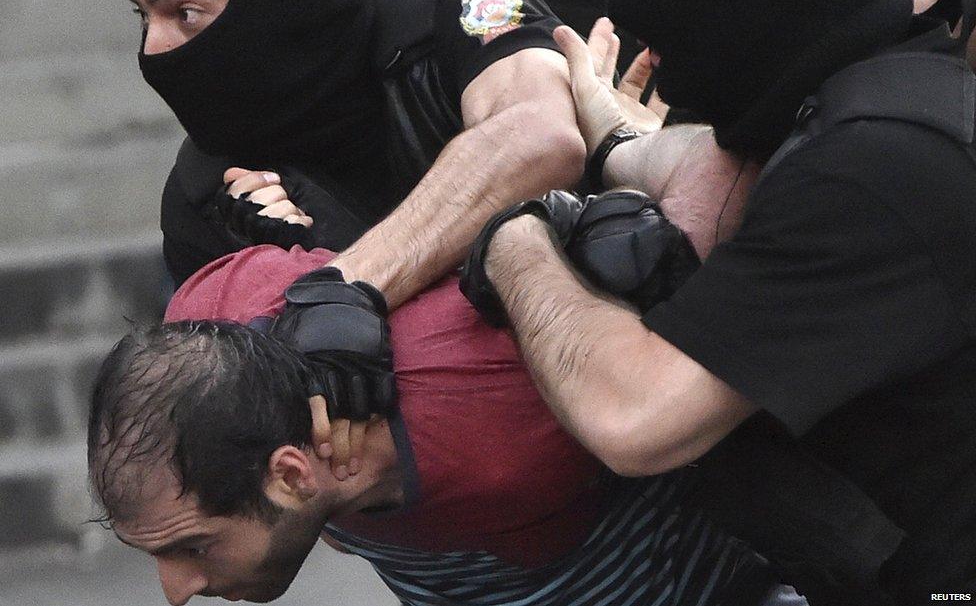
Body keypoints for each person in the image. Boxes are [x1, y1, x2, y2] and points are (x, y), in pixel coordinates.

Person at [460, 0, 976, 603]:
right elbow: (703, 161)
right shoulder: (876, 89)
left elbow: (632, 415)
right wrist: (608, 141)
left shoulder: (872, 170)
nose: (634, 9)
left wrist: (514, 238)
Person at [86, 243, 809, 606]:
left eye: (193, 545)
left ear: (291, 472)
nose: (175, 588)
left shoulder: (509, 442)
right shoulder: (208, 310)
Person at [124, 0, 586, 290]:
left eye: (185, 12)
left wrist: (340, 280)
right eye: (144, 17)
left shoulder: (444, 3)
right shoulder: (202, 193)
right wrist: (274, 283)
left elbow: (538, 135)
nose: (153, 50)